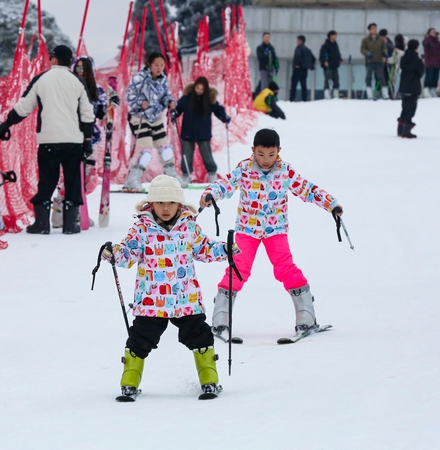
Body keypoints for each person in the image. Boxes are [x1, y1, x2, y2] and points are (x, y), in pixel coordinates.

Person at [200, 128, 343, 342]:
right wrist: (210, 194)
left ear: (279, 151)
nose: (266, 160)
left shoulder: (285, 171)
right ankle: (221, 318)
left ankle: (306, 315)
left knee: (285, 268)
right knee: (238, 268)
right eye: (260, 154)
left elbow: (307, 189)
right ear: (253, 151)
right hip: (247, 230)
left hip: (275, 230)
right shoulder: (245, 169)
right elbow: (225, 184)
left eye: (271, 154)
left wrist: (331, 204)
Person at [102, 174, 234, 400]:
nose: (165, 208)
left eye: (171, 203)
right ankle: (130, 380)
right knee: (139, 339)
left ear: (179, 204)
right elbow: (129, 252)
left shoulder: (188, 227)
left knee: (200, 336)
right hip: (152, 301)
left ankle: (209, 378)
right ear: (151, 204)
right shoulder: (141, 228)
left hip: (185, 299)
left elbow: (204, 248)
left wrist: (226, 249)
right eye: (160, 202)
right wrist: (114, 253)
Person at [0, 45, 95, 235]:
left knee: (47, 181)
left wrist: (4, 126)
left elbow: (24, 107)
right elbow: (87, 114)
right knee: (73, 181)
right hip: (74, 141)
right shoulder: (77, 82)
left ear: (55, 59)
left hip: (48, 140)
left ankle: (41, 224)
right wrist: (88, 140)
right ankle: (70, 225)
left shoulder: (42, 79)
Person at [51, 56, 106, 229]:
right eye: (78, 68)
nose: (81, 71)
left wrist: (108, 106)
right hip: (71, 136)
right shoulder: (68, 87)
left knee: (88, 178)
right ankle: (59, 207)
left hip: (91, 138)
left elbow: (101, 112)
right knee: (72, 175)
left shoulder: (97, 90)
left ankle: (77, 209)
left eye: (84, 68)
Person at [123, 52, 179, 190]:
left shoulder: (163, 79)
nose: (159, 68)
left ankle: (171, 176)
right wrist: (140, 102)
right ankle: (132, 179)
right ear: (149, 64)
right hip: (139, 117)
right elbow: (129, 95)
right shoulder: (140, 78)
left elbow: (165, 95)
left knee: (165, 148)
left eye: (161, 65)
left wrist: (170, 101)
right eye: (156, 65)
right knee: (145, 150)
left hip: (155, 117)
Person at [172, 76, 230, 185]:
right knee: (187, 154)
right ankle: (186, 174)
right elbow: (178, 108)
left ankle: (212, 173)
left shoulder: (209, 99)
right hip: (188, 131)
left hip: (203, 132)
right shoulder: (187, 98)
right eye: (197, 88)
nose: (199, 91)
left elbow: (218, 110)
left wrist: (224, 117)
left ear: (206, 89)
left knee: (206, 155)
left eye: (202, 89)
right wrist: (174, 114)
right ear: (194, 87)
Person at [398, 39, 424, 139]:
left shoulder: (403, 58)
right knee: (411, 108)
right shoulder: (417, 60)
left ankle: (400, 128)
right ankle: (406, 130)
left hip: (404, 85)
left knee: (404, 107)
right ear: (417, 47)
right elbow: (420, 73)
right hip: (413, 86)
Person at [361, 23, 388, 100]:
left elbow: (384, 48)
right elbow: (362, 49)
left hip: (379, 60)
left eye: (375, 28)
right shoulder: (365, 40)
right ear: (369, 30)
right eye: (373, 28)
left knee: (381, 77)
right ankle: (369, 93)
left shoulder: (381, 40)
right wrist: (367, 53)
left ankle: (385, 93)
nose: (374, 29)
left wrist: (385, 52)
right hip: (370, 61)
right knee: (369, 77)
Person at [289, 35, 315, 102]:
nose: (297, 42)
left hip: (298, 69)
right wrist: (310, 66)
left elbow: (297, 56)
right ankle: (304, 98)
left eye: (298, 40)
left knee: (294, 84)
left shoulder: (298, 48)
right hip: (305, 70)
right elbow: (313, 58)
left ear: (301, 41)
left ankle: (292, 99)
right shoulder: (307, 50)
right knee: (303, 85)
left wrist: (296, 64)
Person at [422, 28, 440, 98]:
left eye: (434, 32)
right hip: (430, 62)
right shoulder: (427, 40)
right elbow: (426, 44)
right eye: (432, 32)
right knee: (429, 77)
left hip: (437, 62)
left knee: (435, 77)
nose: (434, 33)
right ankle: (426, 90)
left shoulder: (437, 41)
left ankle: (433, 90)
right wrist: (431, 37)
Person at [319, 30, 342, 99]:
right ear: (330, 36)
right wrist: (324, 61)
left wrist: (339, 59)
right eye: (334, 35)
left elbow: (338, 54)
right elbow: (322, 55)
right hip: (328, 66)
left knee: (336, 80)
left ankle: (335, 94)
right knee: (328, 79)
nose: (336, 37)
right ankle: (327, 94)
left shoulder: (336, 45)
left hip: (335, 65)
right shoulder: (325, 46)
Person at [389, 34, 406, 99]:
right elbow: (394, 58)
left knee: (400, 81)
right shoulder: (395, 48)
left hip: (402, 68)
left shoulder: (405, 47)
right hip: (396, 67)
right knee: (395, 81)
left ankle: (399, 93)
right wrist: (388, 60)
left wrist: (398, 51)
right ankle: (394, 94)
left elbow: (404, 54)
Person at [379, 29, 395, 98]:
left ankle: (390, 93)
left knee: (389, 78)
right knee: (381, 78)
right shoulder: (377, 41)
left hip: (389, 62)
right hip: (380, 62)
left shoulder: (388, 41)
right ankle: (381, 92)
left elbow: (392, 49)